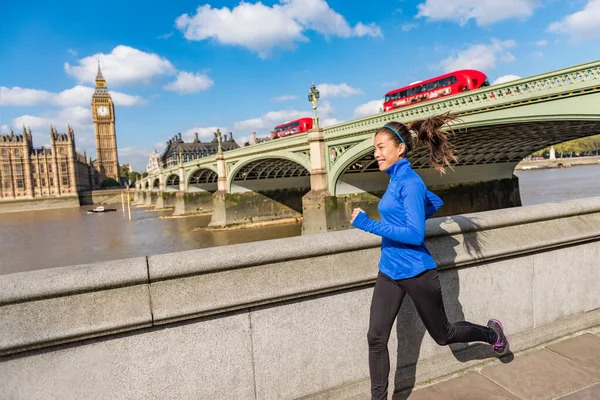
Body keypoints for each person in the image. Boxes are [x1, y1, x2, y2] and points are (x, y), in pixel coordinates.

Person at [350, 114, 509, 400]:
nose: (376, 154)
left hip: (417, 273)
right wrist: (415, 213)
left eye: (381, 147)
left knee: (443, 334)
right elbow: (435, 202)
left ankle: (492, 334)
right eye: (375, 148)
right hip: (389, 271)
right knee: (376, 338)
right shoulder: (397, 179)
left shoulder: (408, 182)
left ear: (400, 149)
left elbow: (414, 235)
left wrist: (367, 224)